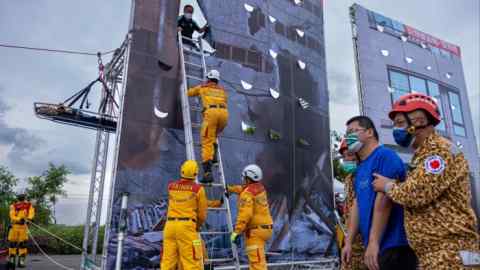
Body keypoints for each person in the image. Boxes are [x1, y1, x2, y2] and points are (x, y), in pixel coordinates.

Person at [372, 93, 480, 270]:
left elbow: (417, 193)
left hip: (450, 253)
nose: (396, 129)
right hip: (437, 254)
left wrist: (387, 185)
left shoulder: (439, 150)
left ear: (419, 121)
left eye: (400, 123)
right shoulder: (424, 154)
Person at [341, 116, 417, 270]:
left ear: (369, 132)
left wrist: (374, 241)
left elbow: (384, 202)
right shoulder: (361, 167)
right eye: (346, 133)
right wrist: (348, 241)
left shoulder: (385, 156)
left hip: (394, 245)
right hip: (375, 246)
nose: (348, 137)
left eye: (352, 131)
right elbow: (357, 204)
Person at [160, 160, 208, 270]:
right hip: (187, 227)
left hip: (170, 227)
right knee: (191, 263)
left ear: (182, 171)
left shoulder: (171, 187)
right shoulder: (198, 190)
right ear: (196, 173)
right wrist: (196, 226)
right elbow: (202, 214)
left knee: (167, 263)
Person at [228, 164, 273, 270]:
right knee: (259, 261)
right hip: (265, 229)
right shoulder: (260, 188)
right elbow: (243, 189)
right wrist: (231, 189)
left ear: (249, 178)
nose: (243, 179)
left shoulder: (247, 194)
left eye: (245, 177)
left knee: (257, 265)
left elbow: (245, 214)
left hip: (255, 233)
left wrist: (236, 232)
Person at [188, 70, 228, 183]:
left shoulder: (203, 87)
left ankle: (208, 173)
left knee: (206, 142)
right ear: (217, 80)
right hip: (224, 115)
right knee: (213, 134)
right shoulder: (223, 91)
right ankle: (214, 156)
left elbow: (190, 93)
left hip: (211, 114)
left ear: (208, 78)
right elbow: (225, 100)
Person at [338, 138, 367, 270]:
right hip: (350, 239)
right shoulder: (349, 179)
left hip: (363, 241)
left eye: (349, 155)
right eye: (344, 156)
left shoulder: (366, 176)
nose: (346, 160)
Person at [7, 191, 35, 268]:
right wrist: (19, 219)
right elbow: (12, 216)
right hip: (14, 227)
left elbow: (31, 213)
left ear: (25, 197)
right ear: (18, 198)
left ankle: (21, 261)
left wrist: (29, 219)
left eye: (23, 196)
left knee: (23, 244)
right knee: (12, 244)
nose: (22, 198)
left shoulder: (29, 206)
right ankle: (11, 260)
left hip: (23, 228)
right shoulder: (13, 206)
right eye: (20, 196)